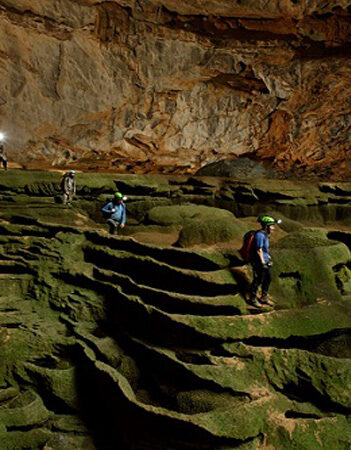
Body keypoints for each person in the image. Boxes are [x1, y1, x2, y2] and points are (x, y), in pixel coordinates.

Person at [248, 216, 281, 308]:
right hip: (259, 262)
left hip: (265, 261)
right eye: (272, 226)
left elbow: (265, 249)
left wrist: (269, 258)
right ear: (266, 226)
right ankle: (253, 299)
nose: (273, 228)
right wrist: (262, 263)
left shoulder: (265, 235)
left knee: (268, 279)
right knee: (258, 280)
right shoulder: (260, 235)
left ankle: (264, 297)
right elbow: (259, 250)